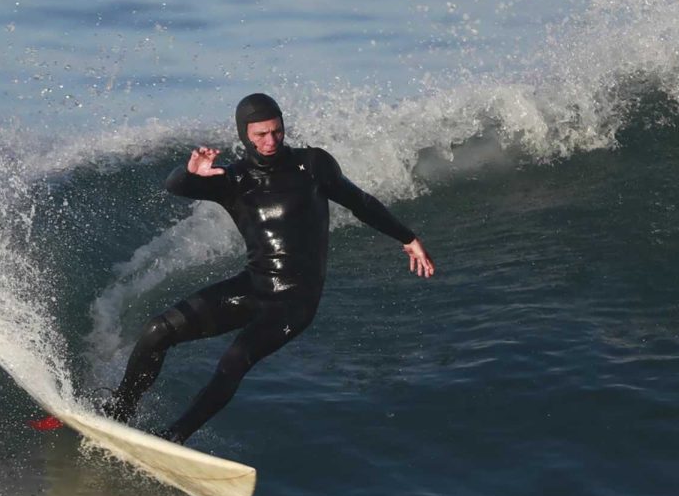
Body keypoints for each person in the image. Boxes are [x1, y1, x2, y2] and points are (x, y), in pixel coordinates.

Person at [105, 93, 434, 443]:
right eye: (260, 134)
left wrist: (407, 237)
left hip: (296, 301)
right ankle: (119, 411)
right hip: (254, 286)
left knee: (236, 358)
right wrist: (190, 173)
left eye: (276, 131)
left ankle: (173, 437)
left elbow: (361, 202)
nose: (270, 141)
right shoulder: (232, 178)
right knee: (158, 330)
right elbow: (176, 186)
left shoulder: (313, 165)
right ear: (244, 134)